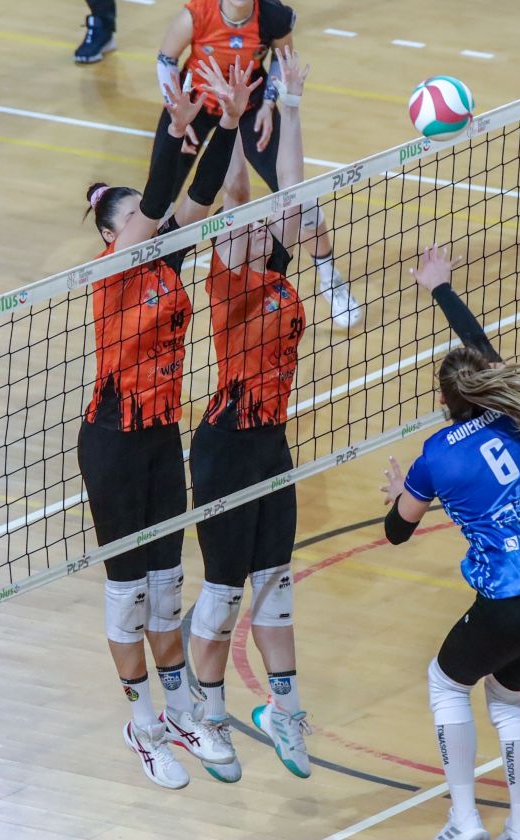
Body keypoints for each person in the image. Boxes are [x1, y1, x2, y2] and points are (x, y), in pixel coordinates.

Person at [78, 58, 259, 790]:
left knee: (166, 587)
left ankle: (181, 713)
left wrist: (228, 122)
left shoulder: (164, 261)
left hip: (159, 437)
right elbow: (159, 197)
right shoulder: (113, 268)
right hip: (112, 442)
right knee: (128, 593)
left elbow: (200, 194)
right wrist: (174, 124)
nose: (149, 223)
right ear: (112, 231)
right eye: (134, 220)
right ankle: (144, 726)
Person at [379, 246, 520, 840]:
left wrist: (403, 494)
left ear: (443, 401)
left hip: (512, 600)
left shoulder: (435, 456)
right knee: (507, 697)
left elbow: (397, 531)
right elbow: (482, 348)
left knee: (447, 684)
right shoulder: (516, 413)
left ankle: (465, 821)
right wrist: (442, 289)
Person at [185, 47, 314, 784]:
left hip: (271, 445)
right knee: (224, 590)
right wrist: (232, 122)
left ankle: (283, 710)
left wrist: (289, 103)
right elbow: (238, 191)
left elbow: (289, 189)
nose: (266, 221)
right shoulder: (231, 280)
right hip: (225, 444)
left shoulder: (280, 280)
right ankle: (208, 714)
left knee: (276, 584)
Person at [156, 0, 364, 328]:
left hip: (250, 107)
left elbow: (282, 59)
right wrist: (175, 115)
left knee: (301, 200)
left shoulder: (272, 15)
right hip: (193, 106)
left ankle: (330, 278)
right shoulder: (196, 13)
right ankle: (157, 286)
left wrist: (269, 103)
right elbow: (166, 59)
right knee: (160, 204)